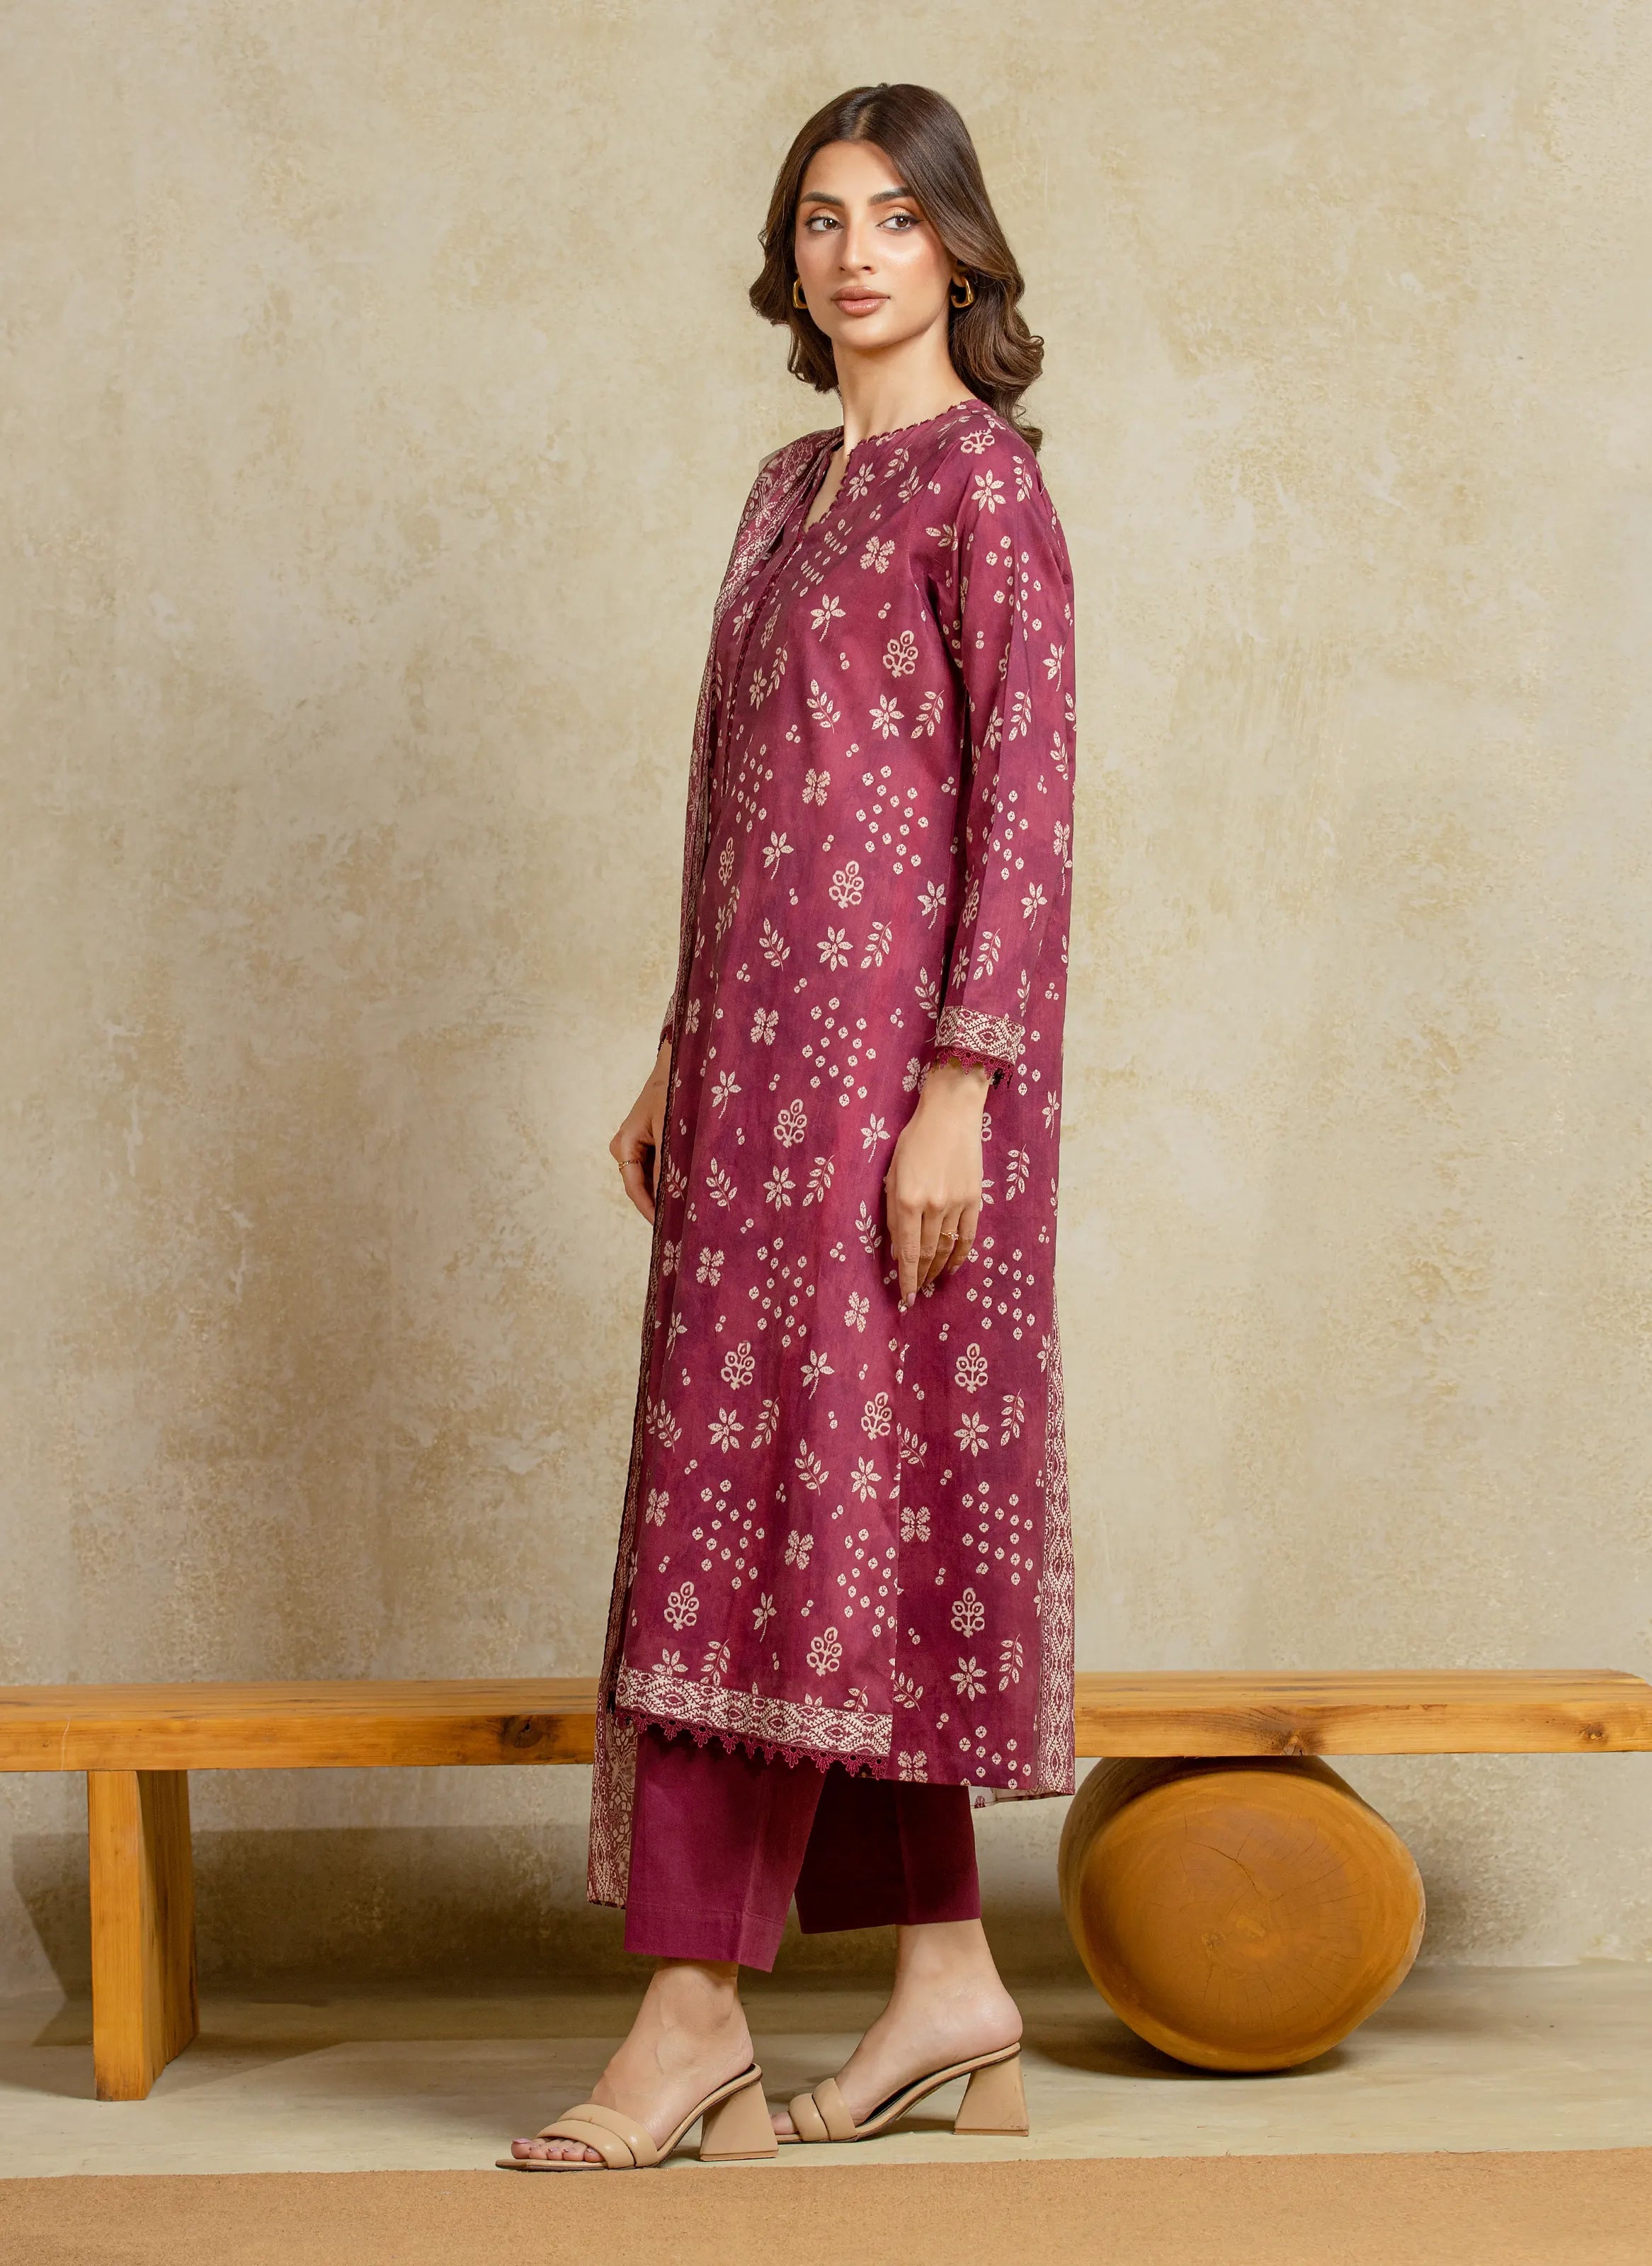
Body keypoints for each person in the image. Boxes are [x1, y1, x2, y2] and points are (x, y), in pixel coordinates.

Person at [505, 79, 1076, 2172]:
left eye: (897, 217)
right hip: (750, 1078)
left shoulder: (984, 488)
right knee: (824, 1511)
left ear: (962, 250)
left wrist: (958, 1092)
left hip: (892, 1091)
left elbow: (1028, 810)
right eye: (824, 217)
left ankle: (689, 2021)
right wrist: (678, 1045)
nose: (857, 254)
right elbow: (734, 799)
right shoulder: (782, 490)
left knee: (779, 1512)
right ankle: (949, 1984)